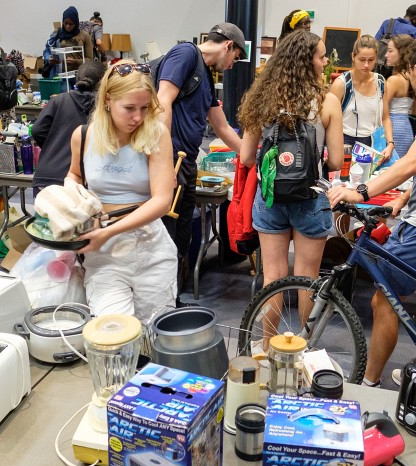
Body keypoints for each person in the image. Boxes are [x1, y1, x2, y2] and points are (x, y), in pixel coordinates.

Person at [327, 33, 416, 386]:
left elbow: (412, 163)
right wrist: (403, 198)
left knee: (383, 301)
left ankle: (369, 383)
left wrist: (360, 191)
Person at [238, 30, 343, 350]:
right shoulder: (327, 101)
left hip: (270, 198)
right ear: (307, 61)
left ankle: (268, 346)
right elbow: (336, 160)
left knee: (273, 278)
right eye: (321, 56)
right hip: (311, 198)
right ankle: (305, 349)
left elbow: (245, 157)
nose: (325, 62)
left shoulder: (263, 99)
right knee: (308, 280)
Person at [66, 60, 178, 323]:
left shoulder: (155, 134)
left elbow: (162, 201)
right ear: (107, 100)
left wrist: (107, 232)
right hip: (104, 254)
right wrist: (70, 190)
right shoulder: (83, 136)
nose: (138, 117)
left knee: (153, 336)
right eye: (129, 108)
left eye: (143, 108)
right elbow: (75, 173)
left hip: (149, 247)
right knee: (112, 336)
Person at [154, 22, 245, 273]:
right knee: (165, 237)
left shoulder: (205, 77)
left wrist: (252, 156)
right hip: (171, 161)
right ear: (228, 45)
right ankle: (163, 305)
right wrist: (163, 162)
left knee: (181, 238)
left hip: (187, 164)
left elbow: (223, 127)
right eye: (234, 58)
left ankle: (174, 300)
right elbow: (163, 101)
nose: (231, 66)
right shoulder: (185, 54)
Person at [32, 59, 106, 192]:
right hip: (77, 179)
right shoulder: (103, 108)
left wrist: (53, 146)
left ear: (77, 77)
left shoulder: (58, 100)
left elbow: (37, 130)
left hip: (46, 175)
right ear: (104, 82)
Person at [329, 35, 395, 161]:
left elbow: (385, 118)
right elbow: (329, 122)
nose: (366, 65)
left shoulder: (380, 82)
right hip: (344, 142)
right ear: (353, 57)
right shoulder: (341, 84)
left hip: (373, 143)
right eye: (362, 59)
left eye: (371, 60)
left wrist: (390, 143)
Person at [382, 34, 416, 160]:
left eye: (390, 51)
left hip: (391, 129)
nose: (386, 55)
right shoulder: (413, 79)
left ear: (402, 53)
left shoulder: (393, 80)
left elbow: (381, 110)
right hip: (407, 129)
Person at [42, 6, 94, 78]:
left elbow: (90, 60)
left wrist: (76, 61)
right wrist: (49, 59)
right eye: (65, 23)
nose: (67, 26)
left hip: (78, 76)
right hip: (60, 76)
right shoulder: (57, 33)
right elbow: (47, 50)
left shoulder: (84, 36)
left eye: (71, 24)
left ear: (76, 23)